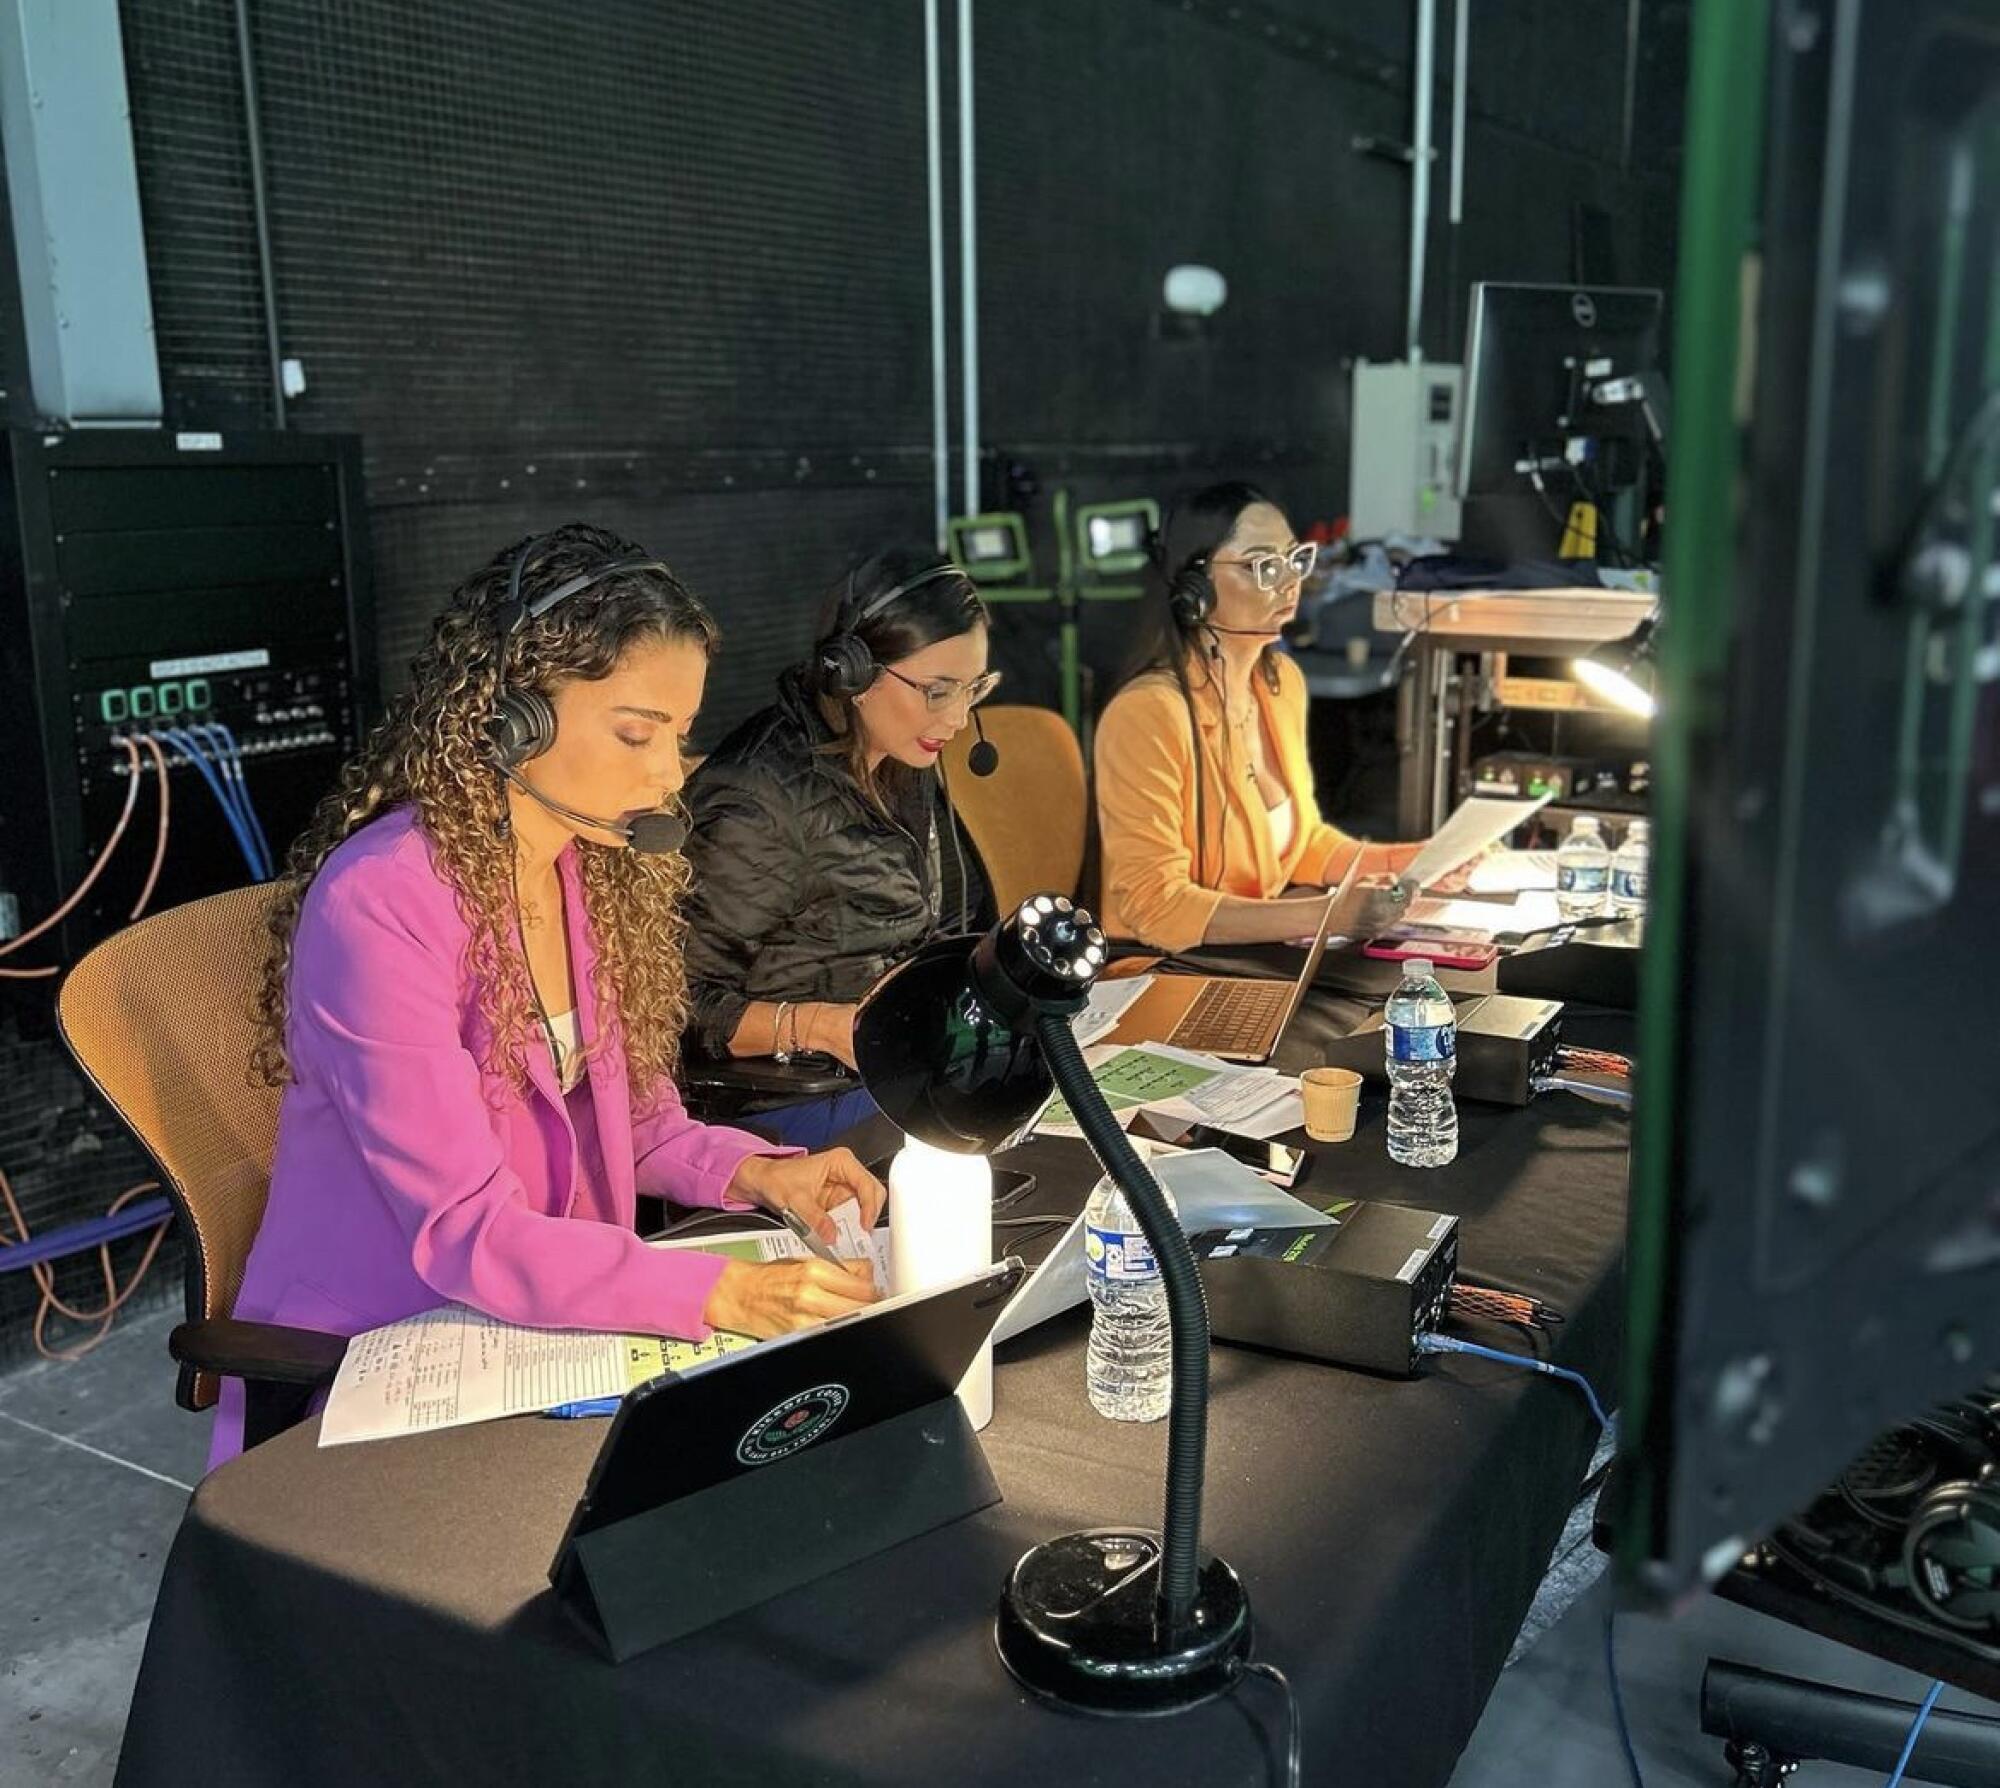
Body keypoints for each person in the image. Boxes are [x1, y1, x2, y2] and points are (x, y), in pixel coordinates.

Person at [225, 524, 882, 1467]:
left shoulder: (585, 874)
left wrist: (759, 1173)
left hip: (543, 1325)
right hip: (388, 1348)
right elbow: (465, 1231)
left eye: (681, 735)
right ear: (513, 718)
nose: (668, 775)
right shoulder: (384, 904)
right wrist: (714, 1295)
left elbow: (638, 1126)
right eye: (635, 733)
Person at [681, 547, 996, 1147]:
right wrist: (824, 1028)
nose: (958, 718)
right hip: (783, 1101)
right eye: (937, 691)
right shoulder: (758, 801)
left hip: (881, 1070)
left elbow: (947, 926)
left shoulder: (900, 760)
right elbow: (675, 1009)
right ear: (851, 672)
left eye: (971, 688)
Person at [1094, 482, 1424, 952]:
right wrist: (1328, 914)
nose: (1290, 579)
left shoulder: (1279, 682)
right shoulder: (1147, 714)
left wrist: (1418, 861)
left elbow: (1304, 846)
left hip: (1255, 954)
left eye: (1293, 558)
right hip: (1169, 965)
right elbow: (1156, 906)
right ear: (1195, 587)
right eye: (1262, 565)